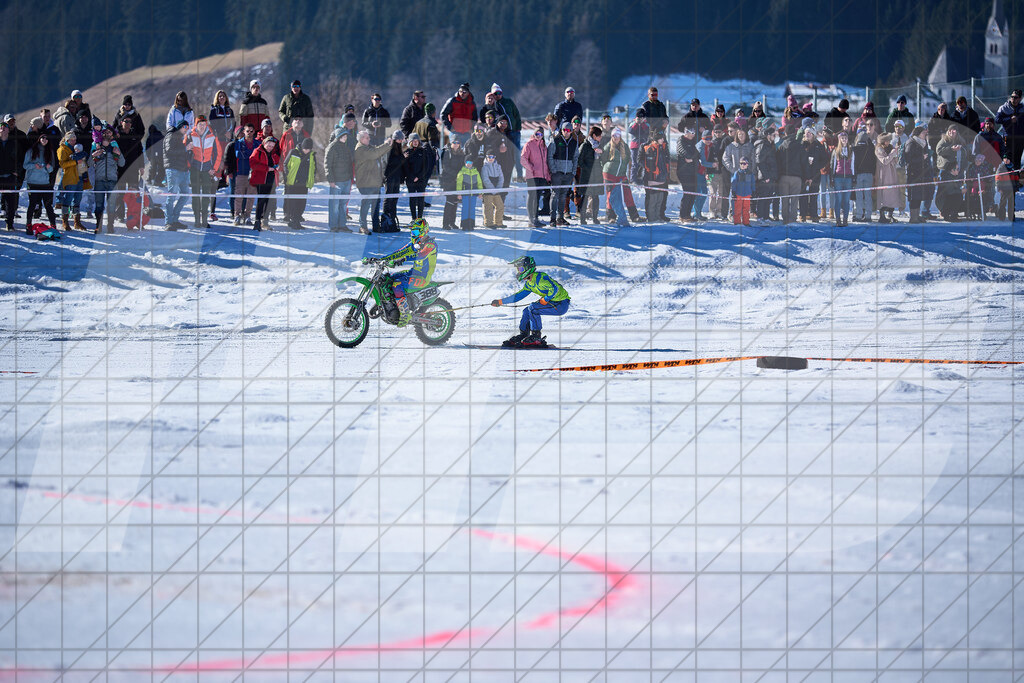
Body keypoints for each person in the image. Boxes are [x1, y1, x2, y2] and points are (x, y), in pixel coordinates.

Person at [364, 218, 437, 325]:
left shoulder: (430, 244)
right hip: (413, 273)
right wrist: (381, 259)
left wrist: (403, 259)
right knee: (387, 278)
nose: (412, 234)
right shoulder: (414, 244)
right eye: (411, 232)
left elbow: (420, 255)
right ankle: (387, 305)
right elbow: (399, 253)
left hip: (422, 278)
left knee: (397, 284)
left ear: (423, 231)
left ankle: (405, 314)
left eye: (415, 231)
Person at [490, 255, 571, 348]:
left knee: (533, 308)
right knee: (526, 310)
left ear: (527, 267)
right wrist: (500, 302)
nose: (518, 271)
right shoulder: (529, 284)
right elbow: (518, 296)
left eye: (520, 269)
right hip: (553, 303)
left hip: (561, 304)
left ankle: (536, 337)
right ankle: (524, 335)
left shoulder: (541, 278)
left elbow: (555, 288)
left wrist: (546, 299)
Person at [354, 129, 392, 234]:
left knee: (375, 206)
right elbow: (375, 153)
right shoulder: (360, 149)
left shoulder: (368, 147)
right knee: (366, 205)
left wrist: (388, 145)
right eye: (367, 137)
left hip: (374, 182)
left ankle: (376, 226)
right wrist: (386, 144)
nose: (369, 138)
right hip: (366, 183)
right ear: (361, 139)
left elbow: (378, 151)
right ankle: (362, 226)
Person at [186, 116, 223, 228]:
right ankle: (197, 219)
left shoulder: (212, 135)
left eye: (204, 124)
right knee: (196, 195)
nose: (202, 126)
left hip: (207, 169)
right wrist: (187, 150)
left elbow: (218, 153)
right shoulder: (190, 136)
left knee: (206, 195)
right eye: (200, 124)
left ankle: (204, 220)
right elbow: (184, 151)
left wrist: (214, 169)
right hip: (195, 169)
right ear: (196, 125)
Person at [88, 125, 125, 233]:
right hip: (99, 180)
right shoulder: (96, 148)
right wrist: (93, 155)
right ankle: (98, 226)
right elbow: (89, 164)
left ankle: (110, 225)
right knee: (99, 205)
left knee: (112, 205)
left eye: (109, 133)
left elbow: (122, 163)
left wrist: (119, 154)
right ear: (101, 135)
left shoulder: (115, 148)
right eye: (105, 133)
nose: (107, 135)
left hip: (112, 181)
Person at [547, 121, 580, 226]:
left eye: (569, 130)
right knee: (555, 195)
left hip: (568, 173)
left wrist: (573, 172)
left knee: (563, 196)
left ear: (571, 131)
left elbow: (575, 158)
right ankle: (552, 219)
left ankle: (560, 218)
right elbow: (550, 156)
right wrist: (553, 170)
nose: (567, 132)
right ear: (562, 130)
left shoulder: (574, 142)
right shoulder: (555, 140)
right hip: (557, 173)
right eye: (565, 130)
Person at [22, 134, 56, 233]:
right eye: (43, 138)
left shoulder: (50, 152)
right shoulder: (31, 151)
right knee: (32, 205)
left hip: (45, 183)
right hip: (32, 182)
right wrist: (34, 166)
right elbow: (25, 165)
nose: (45, 140)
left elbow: (52, 169)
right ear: (39, 139)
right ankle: (28, 225)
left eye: (46, 138)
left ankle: (53, 225)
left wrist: (48, 167)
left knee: (48, 205)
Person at [227, 123, 259, 225]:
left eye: (251, 131)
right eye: (247, 131)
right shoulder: (239, 143)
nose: (249, 133)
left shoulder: (258, 143)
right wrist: (252, 155)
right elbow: (238, 154)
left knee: (250, 196)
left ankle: (248, 215)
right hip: (241, 172)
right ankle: (237, 215)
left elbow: (258, 156)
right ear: (243, 132)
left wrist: (249, 154)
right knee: (239, 195)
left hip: (254, 173)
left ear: (254, 132)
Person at [324, 128, 354, 232]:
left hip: (346, 180)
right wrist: (331, 180)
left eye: (346, 136)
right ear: (338, 136)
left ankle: (342, 225)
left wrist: (351, 178)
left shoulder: (345, 148)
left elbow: (350, 164)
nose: (345, 138)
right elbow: (327, 165)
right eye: (343, 136)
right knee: (334, 205)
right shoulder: (331, 147)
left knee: (343, 204)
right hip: (336, 181)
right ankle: (333, 226)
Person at [489, 84, 523, 178]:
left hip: (515, 132)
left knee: (517, 154)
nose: (498, 95)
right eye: (495, 94)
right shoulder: (494, 105)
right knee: (507, 156)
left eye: (499, 93)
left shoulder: (508, 101)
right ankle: (507, 176)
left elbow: (516, 114)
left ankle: (520, 176)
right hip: (505, 133)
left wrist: (518, 127)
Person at [163, 120, 190, 230]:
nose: (186, 129)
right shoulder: (171, 135)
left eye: (187, 127)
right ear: (179, 126)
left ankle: (174, 219)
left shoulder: (180, 137)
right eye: (184, 127)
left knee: (185, 195)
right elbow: (169, 151)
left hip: (182, 169)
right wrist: (185, 148)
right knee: (171, 195)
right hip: (173, 169)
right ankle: (168, 222)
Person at [602, 128, 633, 225]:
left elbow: (627, 160)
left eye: (617, 135)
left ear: (620, 136)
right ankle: (617, 217)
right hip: (609, 174)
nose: (615, 137)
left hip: (619, 176)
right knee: (613, 197)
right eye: (614, 135)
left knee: (615, 197)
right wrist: (605, 170)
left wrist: (623, 175)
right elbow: (602, 159)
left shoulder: (625, 146)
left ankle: (620, 218)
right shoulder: (608, 146)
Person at [249, 135, 280, 232]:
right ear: (264, 143)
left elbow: (278, 162)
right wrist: (266, 168)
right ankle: (257, 221)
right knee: (261, 200)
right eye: (268, 145)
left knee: (269, 201)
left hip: (271, 180)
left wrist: (277, 166)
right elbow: (252, 164)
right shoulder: (258, 151)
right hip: (261, 179)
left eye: (272, 146)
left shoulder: (273, 153)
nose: (270, 148)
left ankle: (265, 221)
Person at [283, 137, 316, 230]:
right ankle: (293, 221)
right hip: (292, 182)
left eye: (309, 149)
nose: (307, 151)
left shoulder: (312, 155)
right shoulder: (293, 152)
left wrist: (312, 178)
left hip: (304, 183)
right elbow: (285, 164)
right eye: (305, 149)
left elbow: (314, 168)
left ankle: (297, 220)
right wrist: (287, 177)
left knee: (301, 203)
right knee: (293, 203)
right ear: (302, 147)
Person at [56, 131, 86, 231]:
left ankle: (77, 222)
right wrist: (75, 162)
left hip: (79, 176)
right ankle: (65, 221)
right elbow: (62, 164)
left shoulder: (76, 148)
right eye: (72, 139)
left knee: (77, 199)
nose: (74, 141)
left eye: (75, 139)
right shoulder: (62, 149)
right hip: (69, 177)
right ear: (67, 139)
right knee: (68, 199)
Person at [520, 128, 550, 228]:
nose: (539, 135)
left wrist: (547, 175)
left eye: (541, 134)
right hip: (532, 175)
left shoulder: (543, 146)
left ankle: (535, 218)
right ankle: (531, 219)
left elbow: (545, 163)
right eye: (537, 133)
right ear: (534, 133)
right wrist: (531, 168)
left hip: (541, 175)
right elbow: (523, 159)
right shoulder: (529, 144)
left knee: (537, 197)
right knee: (532, 196)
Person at [903, 126, 933, 223]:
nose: (925, 135)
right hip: (913, 174)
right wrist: (921, 158)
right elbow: (908, 159)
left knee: (919, 195)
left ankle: (917, 215)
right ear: (918, 133)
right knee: (913, 196)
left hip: (922, 173)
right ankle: (913, 217)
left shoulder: (923, 143)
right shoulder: (911, 143)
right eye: (924, 133)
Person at [576, 126, 603, 225]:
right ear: (594, 135)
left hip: (597, 175)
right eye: (599, 136)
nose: (601, 138)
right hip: (587, 175)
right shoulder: (585, 145)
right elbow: (579, 161)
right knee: (585, 196)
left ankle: (595, 218)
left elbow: (603, 159)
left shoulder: (599, 146)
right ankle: (582, 219)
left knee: (596, 197)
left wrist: (602, 153)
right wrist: (588, 169)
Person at [753, 124, 780, 221]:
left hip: (771, 175)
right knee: (763, 197)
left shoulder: (769, 145)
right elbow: (759, 161)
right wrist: (766, 176)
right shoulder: (763, 144)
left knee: (768, 197)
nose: (774, 137)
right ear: (768, 135)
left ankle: (766, 216)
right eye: (773, 135)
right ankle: (761, 216)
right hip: (765, 176)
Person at [380, 130, 406, 231]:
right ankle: (386, 220)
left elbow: (399, 164)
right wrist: (402, 158)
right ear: (395, 139)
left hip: (396, 177)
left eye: (401, 139)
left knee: (394, 199)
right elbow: (388, 162)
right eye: (399, 139)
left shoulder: (399, 147)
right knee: (388, 198)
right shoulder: (390, 148)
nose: (401, 141)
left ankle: (392, 220)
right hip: (389, 176)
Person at [828, 131, 854, 226]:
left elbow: (853, 165)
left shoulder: (851, 150)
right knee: (838, 199)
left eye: (845, 138)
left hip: (848, 178)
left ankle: (845, 219)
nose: (844, 140)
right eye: (842, 138)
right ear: (839, 140)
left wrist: (853, 177)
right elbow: (833, 165)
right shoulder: (836, 151)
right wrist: (832, 177)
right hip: (838, 178)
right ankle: (838, 219)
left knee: (846, 200)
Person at [439, 136, 465, 230]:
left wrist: (461, 174)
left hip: (457, 181)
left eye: (458, 143)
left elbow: (462, 165)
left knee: (455, 202)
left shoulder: (461, 153)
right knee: (449, 202)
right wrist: (456, 174)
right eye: (454, 142)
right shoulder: (447, 152)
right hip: (448, 180)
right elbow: (445, 167)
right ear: (451, 143)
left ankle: (452, 222)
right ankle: (445, 224)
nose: (456, 144)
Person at [642, 133, 670, 222]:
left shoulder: (662, 148)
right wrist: (654, 172)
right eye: (661, 138)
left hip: (661, 177)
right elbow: (648, 165)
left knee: (660, 199)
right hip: (653, 178)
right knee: (653, 200)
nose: (663, 140)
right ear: (656, 139)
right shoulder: (651, 149)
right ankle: (651, 217)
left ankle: (657, 216)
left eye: (663, 138)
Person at [403, 132, 431, 221]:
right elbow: (405, 168)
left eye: (417, 141)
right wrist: (412, 177)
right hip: (410, 180)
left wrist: (418, 177)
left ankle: (419, 217)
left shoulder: (423, 151)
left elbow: (426, 166)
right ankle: (413, 218)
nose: (415, 142)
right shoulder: (407, 152)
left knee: (420, 199)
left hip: (421, 179)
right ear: (410, 142)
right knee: (412, 199)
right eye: (413, 141)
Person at [874, 133, 900, 223]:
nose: (888, 142)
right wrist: (893, 154)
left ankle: (890, 214)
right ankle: (882, 215)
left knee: (892, 194)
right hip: (883, 175)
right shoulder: (879, 149)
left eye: (889, 140)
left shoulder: (891, 147)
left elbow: (895, 161)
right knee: (883, 194)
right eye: (887, 140)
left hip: (892, 174)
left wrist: (896, 154)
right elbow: (884, 161)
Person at [995, 89, 1024, 169]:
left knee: (1017, 160)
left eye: (1016, 97)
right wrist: (1009, 119)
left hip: (1020, 138)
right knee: (1008, 159)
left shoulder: (1022, 108)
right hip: (1008, 137)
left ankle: (1016, 179)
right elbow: (997, 120)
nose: (1013, 99)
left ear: (1020, 98)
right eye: (1012, 97)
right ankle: (1007, 179)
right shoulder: (1003, 107)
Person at [851, 128, 876, 222]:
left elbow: (853, 164)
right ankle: (868, 216)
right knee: (868, 196)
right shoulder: (870, 149)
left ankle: (858, 215)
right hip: (869, 175)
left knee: (859, 196)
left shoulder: (854, 149)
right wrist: (873, 174)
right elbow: (874, 162)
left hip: (858, 175)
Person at [695, 129, 719, 220]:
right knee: (699, 193)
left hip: (703, 172)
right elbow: (703, 162)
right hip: (697, 173)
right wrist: (712, 165)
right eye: (706, 139)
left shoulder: (709, 145)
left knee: (704, 193)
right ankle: (696, 213)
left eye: (710, 138)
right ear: (702, 138)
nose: (709, 140)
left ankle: (698, 213)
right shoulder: (700, 146)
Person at [0, 123, 19, 232]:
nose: (2, 129)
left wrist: (16, 171)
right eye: (1, 127)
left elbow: (18, 157)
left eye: (4, 128)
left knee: (10, 201)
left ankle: (10, 224)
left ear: (8, 130)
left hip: (9, 176)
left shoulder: (13, 143)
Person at [455, 156, 482, 230]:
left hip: (473, 194)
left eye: (470, 162)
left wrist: (480, 192)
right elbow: (459, 184)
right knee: (465, 209)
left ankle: (471, 224)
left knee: (472, 209)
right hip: (465, 194)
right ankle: (464, 224)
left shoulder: (476, 172)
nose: (469, 164)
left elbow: (479, 183)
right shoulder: (462, 172)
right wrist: (459, 193)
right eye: (467, 162)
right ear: (465, 163)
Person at [481, 152, 505, 228]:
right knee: (489, 207)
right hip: (488, 190)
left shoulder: (498, 166)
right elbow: (485, 179)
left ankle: (498, 222)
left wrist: (498, 188)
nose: (491, 158)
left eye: (493, 157)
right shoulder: (485, 167)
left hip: (496, 189)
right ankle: (488, 223)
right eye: (489, 157)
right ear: (486, 157)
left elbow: (501, 178)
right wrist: (492, 189)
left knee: (500, 205)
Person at [730, 156, 755, 226]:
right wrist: (733, 192)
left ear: (747, 164)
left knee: (746, 209)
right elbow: (734, 183)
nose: (742, 165)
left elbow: (753, 183)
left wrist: (753, 191)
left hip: (747, 193)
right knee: (737, 209)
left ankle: (746, 222)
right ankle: (737, 222)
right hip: (739, 194)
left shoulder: (750, 173)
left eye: (744, 163)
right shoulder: (737, 173)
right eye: (741, 163)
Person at [995, 154, 1018, 221]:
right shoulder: (1001, 167)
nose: (1006, 160)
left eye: (1007, 159)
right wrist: (999, 188)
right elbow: (998, 178)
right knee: (1003, 202)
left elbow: (1016, 178)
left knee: (1011, 203)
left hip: (1012, 188)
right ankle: (1001, 216)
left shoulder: (1013, 167)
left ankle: (1011, 217)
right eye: (1005, 159)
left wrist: (1016, 187)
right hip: (1004, 188)